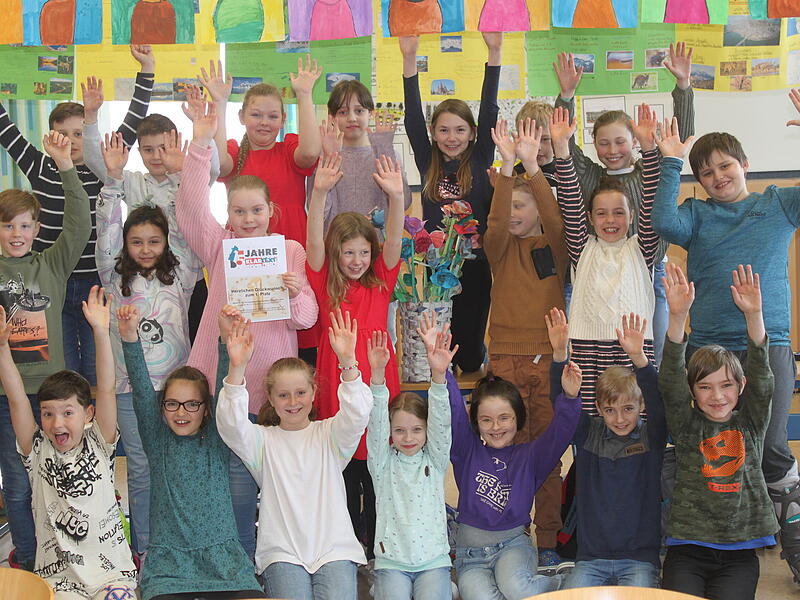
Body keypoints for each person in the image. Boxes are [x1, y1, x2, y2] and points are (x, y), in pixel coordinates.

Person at [652, 96, 800, 583]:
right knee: (703, 444)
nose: (718, 177)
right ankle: (700, 543)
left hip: (767, 343)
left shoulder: (776, 203)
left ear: (745, 166)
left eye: (726, 166)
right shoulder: (696, 214)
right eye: (707, 171)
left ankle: (791, 547)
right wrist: (672, 159)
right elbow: (662, 222)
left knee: (771, 448)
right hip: (708, 348)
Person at [175, 99, 318, 559]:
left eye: (256, 210)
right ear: (230, 214)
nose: (248, 219)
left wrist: (295, 291)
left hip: (275, 391)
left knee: (273, 487)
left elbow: (307, 318)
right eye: (239, 212)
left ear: (271, 210)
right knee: (231, 485)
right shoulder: (219, 247)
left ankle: (274, 558)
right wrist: (201, 142)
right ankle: (232, 560)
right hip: (225, 383)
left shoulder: (289, 250)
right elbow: (191, 210)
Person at [0, 45, 155, 390]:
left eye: (78, 132)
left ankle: (100, 437)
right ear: (49, 136)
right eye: (62, 134)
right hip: (51, 284)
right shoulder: (41, 166)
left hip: (97, 283)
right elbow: (6, 130)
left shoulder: (103, 165)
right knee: (64, 370)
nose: (71, 141)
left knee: (99, 366)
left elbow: (135, 118)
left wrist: (147, 68)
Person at [94, 129, 202, 559]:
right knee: (140, 471)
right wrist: (114, 178)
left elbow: (182, 220)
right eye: (136, 242)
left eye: (153, 241)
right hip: (129, 389)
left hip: (178, 392)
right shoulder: (112, 275)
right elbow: (107, 226)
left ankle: (184, 546)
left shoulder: (184, 271)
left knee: (179, 469)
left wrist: (178, 174)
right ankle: (145, 550)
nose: (145, 248)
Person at [216, 310, 373, 600]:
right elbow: (230, 425)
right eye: (283, 395)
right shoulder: (261, 440)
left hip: (334, 549)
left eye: (300, 392)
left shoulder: (331, 435)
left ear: (314, 393)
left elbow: (359, 412)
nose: (293, 402)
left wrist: (348, 362)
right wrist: (236, 368)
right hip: (282, 553)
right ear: (271, 398)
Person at [554, 44, 695, 364]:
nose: (612, 149)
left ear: (634, 140)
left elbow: (680, 137)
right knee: (594, 358)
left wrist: (683, 87)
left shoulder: (651, 166)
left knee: (650, 359)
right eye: (603, 143)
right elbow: (561, 144)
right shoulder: (590, 175)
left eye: (620, 141)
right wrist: (565, 96)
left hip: (648, 274)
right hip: (594, 275)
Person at [118, 305, 265, 600]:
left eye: (191, 404)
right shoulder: (157, 439)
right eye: (172, 404)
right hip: (169, 567)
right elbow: (143, 390)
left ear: (206, 409)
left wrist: (225, 340)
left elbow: (227, 390)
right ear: (162, 408)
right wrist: (129, 338)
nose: (181, 412)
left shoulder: (216, 437)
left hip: (224, 562)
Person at [0, 287, 137, 598]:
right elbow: (17, 399)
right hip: (59, 582)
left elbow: (107, 387)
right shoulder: (38, 450)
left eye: (67, 412)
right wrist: (2, 348)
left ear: (88, 413)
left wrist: (101, 333)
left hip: (112, 576)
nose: (57, 422)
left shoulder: (100, 441)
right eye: (48, 414)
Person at [306, 151, 405, 562]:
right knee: (344, 480)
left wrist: (397, 198)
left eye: (363, 252)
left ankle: (383, 553)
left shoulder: (381, 280)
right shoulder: (324, 282)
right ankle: (347, 554)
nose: (356, 261)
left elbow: (395, 237)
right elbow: (313, 240)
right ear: (335, 253)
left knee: (380, 477)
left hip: (380, 385)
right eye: (348, 253)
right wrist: (320, 193)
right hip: (337, 392)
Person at [0, 132, 91, 573]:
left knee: (61, 481)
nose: (16, 234)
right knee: (17, 485)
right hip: (6, 396)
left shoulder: (51, 265)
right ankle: (31, 561)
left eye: (24, 225)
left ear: (36, 229)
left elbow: (79, 225)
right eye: (7, 224)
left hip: (53, 395)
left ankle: (68, 556)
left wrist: (66, 167)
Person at [659, 263, 777, 600]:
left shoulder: (750, 423)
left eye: (726, 385)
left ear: (741, 386)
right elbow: (669, 379)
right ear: (693, 391)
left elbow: (765, 381)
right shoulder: (686, 426)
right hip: (687, 549)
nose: (717, 396)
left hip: (740, 555)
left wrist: (754, 316)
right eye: (705, 387)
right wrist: (678, 317)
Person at [484, 118, 570, 571]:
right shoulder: (498, 247)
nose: (515, 211)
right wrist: (504, 166)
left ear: (537, 206)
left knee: (548, 454)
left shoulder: (555, 246)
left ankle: (548, 538)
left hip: (547, 360)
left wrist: (532, 166)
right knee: (506, 450)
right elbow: (496, 226)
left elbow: (557, 221)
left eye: (523, 204)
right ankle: (508, 529)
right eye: (510, 204)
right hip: (504, 358)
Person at [82, 81, 217, 345]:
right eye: (148, 149)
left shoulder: (190, 176)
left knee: (197, 351)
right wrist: (90, 117)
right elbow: (98, 162)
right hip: (147, 284)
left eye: (164, 147)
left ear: (178, 143)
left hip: (191, 281)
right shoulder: (133, 181)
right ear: (139, 151)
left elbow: (212, 170)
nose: (157, 156)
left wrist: (200, 130)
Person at [399, 32, 502, 373]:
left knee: (469, 352)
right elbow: (412, 117)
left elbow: (489, 108)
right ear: (433, 133)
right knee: (438, 347)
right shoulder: (429, 161)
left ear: (472, 133)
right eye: (444, 130)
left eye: (460, 130)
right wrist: (409, 60)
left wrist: (495, 51)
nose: (452, 137)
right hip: (436, 269)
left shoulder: (481, 157)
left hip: (474, 265)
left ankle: (475, 364)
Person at [549, 104, 661, 412]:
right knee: (590, 422)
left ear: (633, 216)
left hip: (634, 347)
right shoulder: (582, 247)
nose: (610, 220)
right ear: (590, 218)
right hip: (587, 348)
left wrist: (649, 148)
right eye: (601, 213)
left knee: (635, 418)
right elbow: (570, 198)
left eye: (618, 213)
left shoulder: (641, 247)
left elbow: (653, 196)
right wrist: (561, 148)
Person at [546, 308, 665, 589]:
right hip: (590, 560)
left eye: (628, 409)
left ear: (641, 407)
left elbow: (660, 405)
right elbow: (561, 407)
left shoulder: (652, 438)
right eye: (610, 410)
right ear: (598, 408)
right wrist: (560, 356)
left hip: (639, 561)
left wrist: (640, 360)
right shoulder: (589, 435)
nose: (620, 419)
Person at [446, 356, 580, 598]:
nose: (496, 427)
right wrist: (442, 373)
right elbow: (455, 414)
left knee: (516, 588)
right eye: (486, 420)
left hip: (513, 547)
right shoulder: (467, 451)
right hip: (471, 557)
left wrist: (569, 398)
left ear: (518, 418)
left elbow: (559, 435)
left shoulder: (530, 457)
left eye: (504, 418)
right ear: (476, 423)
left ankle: (564, 584)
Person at [366, 313, 454, 599]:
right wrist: (377, 379)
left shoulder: (435, 460)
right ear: (391, 431)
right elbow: (376, 425)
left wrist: (438, 377)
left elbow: (441, 422)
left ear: (427, 430)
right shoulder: (382, 462)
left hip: (433, 561)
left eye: (417, 429)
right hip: (392, 562)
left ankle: (445, 587)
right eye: (400, 430)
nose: (408, 437)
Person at [199, 57, 321, 247]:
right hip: (245, 249)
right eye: (256, 115)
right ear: (242, 116)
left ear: (283, 120)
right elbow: (219, 165)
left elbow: (310, 153)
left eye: (272, 116)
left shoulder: (289, 149)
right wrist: (219, 102)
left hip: (292, 243)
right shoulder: (235, 152)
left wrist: (304, 95)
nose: (264, 122)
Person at [314, 78, 411, 233]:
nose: (352, 118)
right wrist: (328, 157)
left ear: (370, 114)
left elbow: (404, 203)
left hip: (378, 247)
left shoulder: (386, 154)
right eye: (343, 112)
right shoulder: (325, 157)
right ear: (332, 117)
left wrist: (385, 151)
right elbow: (319, 213)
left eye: (359, 111)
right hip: (336, 247)